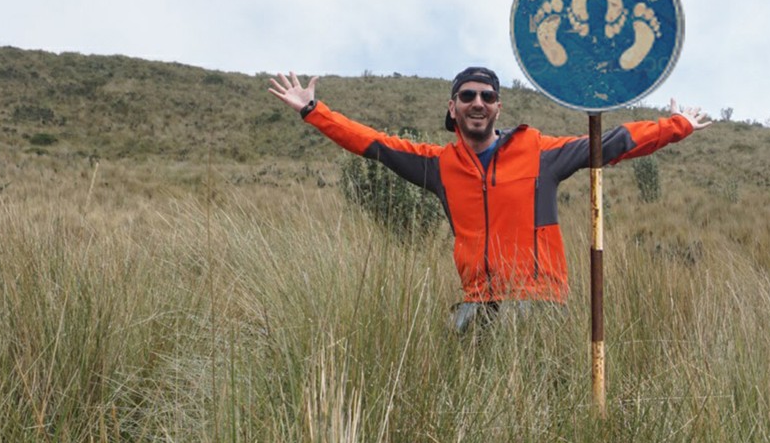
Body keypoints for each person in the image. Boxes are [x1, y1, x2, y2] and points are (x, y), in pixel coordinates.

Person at [269, 66, 710, 332]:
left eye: (488, 96)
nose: (478, 102)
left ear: (498, 108)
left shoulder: (539, 152)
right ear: (452, 108)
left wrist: (676, 126)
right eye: (468, 96)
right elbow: (374, 144)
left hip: (538, 306)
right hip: (475, 305)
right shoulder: (439, 166)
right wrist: (314, 112)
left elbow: (613, 142)